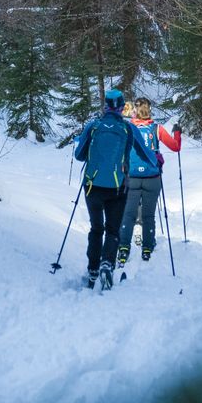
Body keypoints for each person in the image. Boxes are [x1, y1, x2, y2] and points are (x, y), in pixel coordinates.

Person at [73, 89, 153, 289]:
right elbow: (145, 153)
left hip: (92, 186)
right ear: (121, 107)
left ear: (105, 106)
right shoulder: (128, 129)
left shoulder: (93, 127)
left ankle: (92, 269)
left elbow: (79, 156)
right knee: (112, 229)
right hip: (117, 187)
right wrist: (156, 161)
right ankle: (107, 264)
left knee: (96, 228)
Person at [117, 97, 181, 266]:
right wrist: (177, 133)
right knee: (148, 215)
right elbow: (175, 147)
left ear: (135, 111)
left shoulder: (128, 128)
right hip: (152, 177)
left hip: (131, 177)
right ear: (149, 110)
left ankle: (123, 247)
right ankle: (147, 247)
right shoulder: (156, 129)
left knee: (128, 214)